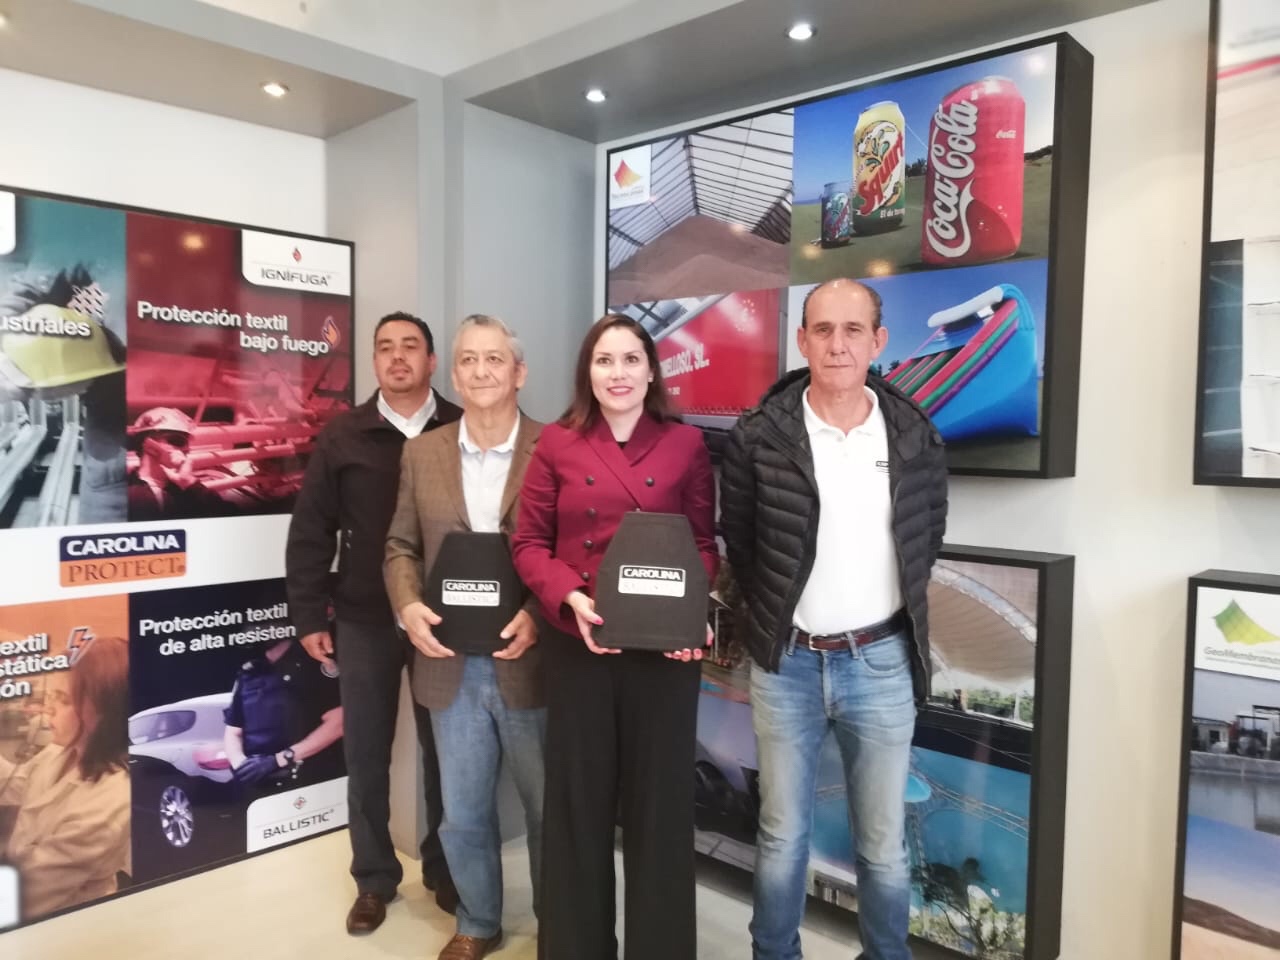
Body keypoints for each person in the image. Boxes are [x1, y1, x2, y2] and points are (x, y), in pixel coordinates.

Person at [719, 279, 948, 960]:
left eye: (853, 330)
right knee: (781, 834)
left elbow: (926, 535)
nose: (838, 344)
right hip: (787, 665)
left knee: (882, 845)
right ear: (802, 340)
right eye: (823, 329)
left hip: (881, 665)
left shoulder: (914, 436)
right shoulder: (759, 437)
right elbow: (742, 543)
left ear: (879, 342)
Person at [512, 313, 718, 960]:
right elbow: (527, 543)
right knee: (578, 809)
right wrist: (569, 596)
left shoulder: (686, 444)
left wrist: (691, 612)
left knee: (661, 813)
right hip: (580, 647)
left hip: (663, 652)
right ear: (588, 372)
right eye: (605, 360)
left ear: (652, 370)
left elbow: (703, 546)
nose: (618, 373)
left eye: (631, 359)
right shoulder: (557, 443)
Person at [286, 310, 461, 934]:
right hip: (363, 618)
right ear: (375, 360)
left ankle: (446, 870)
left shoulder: (460, 426)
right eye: (386, 347)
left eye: (411, 346)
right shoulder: (345, 435)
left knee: (450, 753)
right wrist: (309, 612)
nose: (397, 357)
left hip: (445, 620)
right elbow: (312, 529)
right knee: (364, 753)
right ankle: (374, 878)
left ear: (431, 361)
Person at [385, 314, 545, 960]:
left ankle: (560, 920)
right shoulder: (421, 453)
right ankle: (478, 921)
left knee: (549, 808)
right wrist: (408, 605)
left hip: (531, 660)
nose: (481, 371)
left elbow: (575, 551)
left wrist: (538, 612)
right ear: (453, 374)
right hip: (449, 662)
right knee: (463, 812)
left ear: (519, 372)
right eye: (469, 360)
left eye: (495, 359)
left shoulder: (555, 448)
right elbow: (400, 545)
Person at [0, 635, 130, 922]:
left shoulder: (107, 806)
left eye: (64, 700)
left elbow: (26, 895)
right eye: (51, 697)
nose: (49, 709)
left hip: (63, 922)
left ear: (104, 712)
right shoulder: (61, 752)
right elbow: (19, 784)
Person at [223, 636, 344, 790]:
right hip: (259, 782)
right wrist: (242, 766)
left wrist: (279, 759)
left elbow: (338, 722)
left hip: (306, 778)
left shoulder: (313, 663)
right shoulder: (250, 672)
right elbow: (233, 730)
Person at [126, 406, 228, 520]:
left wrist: (190, 483)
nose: (187, 449)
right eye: (178, 441)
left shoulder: (187, 491)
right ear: (149, 443)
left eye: (187, 444)